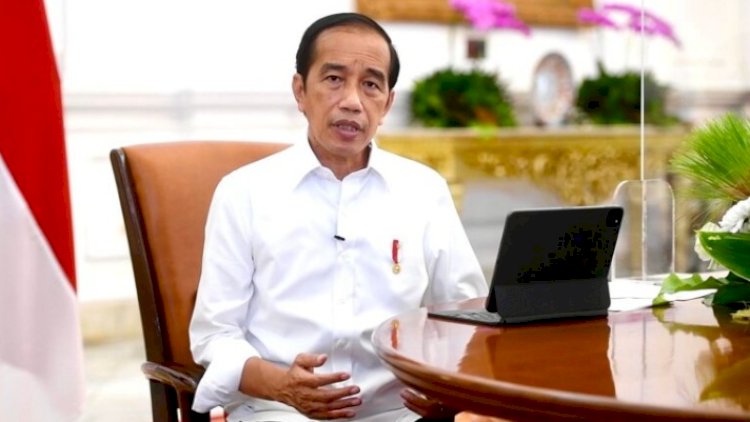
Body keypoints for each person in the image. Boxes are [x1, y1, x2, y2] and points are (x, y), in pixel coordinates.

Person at [189, 12, 488, 422]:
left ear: (387, 103)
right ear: (300, 91)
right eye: (334, 79)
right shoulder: (243, 193)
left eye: (371, 84)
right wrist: (282, 386)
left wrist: (443, 391)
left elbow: (465, 317)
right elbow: (215, 335)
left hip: (400, 412)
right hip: (279, 410)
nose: (352, 101)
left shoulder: (424, 190)